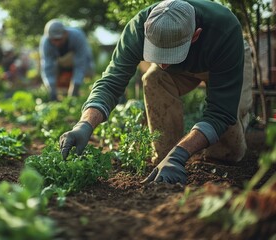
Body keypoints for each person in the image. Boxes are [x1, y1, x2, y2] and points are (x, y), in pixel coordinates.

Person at [59, 0, 254, 185]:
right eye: (157, 54)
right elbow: (111, 82)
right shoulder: (138, 28)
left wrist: (181, 154)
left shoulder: (224, 29)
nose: (163, 63)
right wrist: (84, 124)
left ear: (195, 35)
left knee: (227, 150)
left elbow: (220, 112)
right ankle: (165, 157)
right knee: (154, 78)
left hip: (225, 61)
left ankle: (195, 154)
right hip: (184, 68)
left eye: (170, 54)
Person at [39, 19, 95, 101]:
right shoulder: (46, 42)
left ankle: (84, 95)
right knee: (56, 82)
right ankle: (62, 94)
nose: (56, 43)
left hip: (80, 61)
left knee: (87, 73)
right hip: (60, 63)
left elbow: (81, 64)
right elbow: (47, 67)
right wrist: (52, 90)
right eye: (53, 40)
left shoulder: (77, 36)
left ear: (65, 33)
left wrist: (75, 87)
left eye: (58, 39)